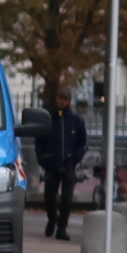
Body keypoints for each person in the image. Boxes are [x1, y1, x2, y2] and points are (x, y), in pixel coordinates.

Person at [37, 92, 89, 239]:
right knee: (49, 197)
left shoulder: (75, 120)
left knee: (66, 199)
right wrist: (43, 160)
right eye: (59, 98)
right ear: (56, 99)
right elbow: (39, 142)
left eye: (65, 99)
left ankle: (62, 227)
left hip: (69, 165)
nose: (61, 101)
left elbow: (82, 142)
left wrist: (75, 158)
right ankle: (52, 218)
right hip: (51, 164)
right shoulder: (48, 119)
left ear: (69, 101)